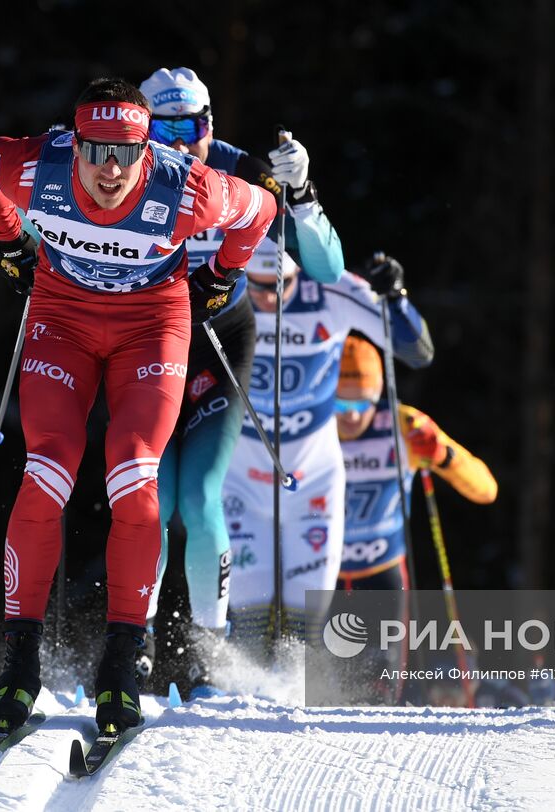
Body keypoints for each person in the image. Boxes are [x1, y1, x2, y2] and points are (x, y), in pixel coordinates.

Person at [0, 77, 276, 735]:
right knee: (46, 471)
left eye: (127, 152)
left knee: (135, 476)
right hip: (63, 319)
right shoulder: (34, 167)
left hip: (150, 327)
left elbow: (259, 211)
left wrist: (221, 275)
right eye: (96, 150)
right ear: (72, 143)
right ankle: (20, 664)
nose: (110, 169)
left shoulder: (185, 185)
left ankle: (122, 661)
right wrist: (8, 240)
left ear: (147, 151)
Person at [135, 68, 346, 687]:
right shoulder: (119, 168)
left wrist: (302, 191)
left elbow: (328, 269)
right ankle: (136, 639)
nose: (180, 143)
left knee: (198, 500)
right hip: (144, 343)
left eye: (193, 128)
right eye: (164, 128)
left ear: (211, 126)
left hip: (220, 345)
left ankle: (208, 650)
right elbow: (48, 222)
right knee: (151, 499)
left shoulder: (240, 172)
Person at [224, 253, 433, 648]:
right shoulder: (223, 282)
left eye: (278, 286)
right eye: (257, 285)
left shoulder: (331, 289)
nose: (268, 298)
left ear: (297, 272)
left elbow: (418, 351)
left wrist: (395, 297)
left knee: (305, 622)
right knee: (248, 618)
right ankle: (230, 694)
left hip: (313, 480)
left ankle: (291, 697)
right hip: (241, 480)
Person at [333, 334, 497, 702]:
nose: (352, 416)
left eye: (363, 402)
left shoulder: (404, 425)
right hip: (319, 575)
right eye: (340, 403)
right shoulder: (310, 424)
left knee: (379, 691)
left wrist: (441, 455)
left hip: (381, 574)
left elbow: (486, 489)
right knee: (316, 686)